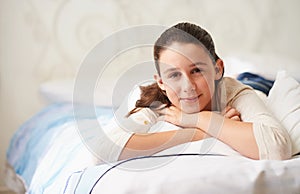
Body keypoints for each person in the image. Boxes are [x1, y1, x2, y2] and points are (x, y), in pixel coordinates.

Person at [100, 22, 291, 162]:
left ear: (217, 69)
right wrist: (200, 132)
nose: (188, 86)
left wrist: (197, 119)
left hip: (256, 85)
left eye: (196, 70)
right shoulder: (153, 99)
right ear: (161, 82)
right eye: (174, 75)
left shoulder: (234, 92)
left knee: (257, 81)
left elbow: (277, 149)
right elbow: (104, 150)